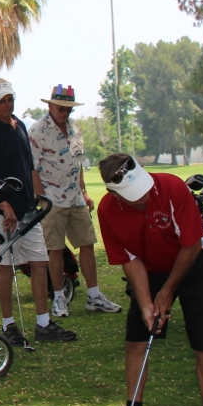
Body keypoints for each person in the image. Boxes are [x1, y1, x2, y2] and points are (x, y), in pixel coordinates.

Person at [94, 153, 203, 406]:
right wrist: (145, 303)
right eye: (134, 198)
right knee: (136, 341)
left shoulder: (171, 188)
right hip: (151, 268)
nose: (143, 199)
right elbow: (130, 260)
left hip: (195, 263)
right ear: (113, 193)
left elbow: (191, 244)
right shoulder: (108, 211)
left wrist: (166, 295)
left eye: (143, 191)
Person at [0, 78, 76, 344]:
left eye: (10, 99)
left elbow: (30, 167)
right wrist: (3, 204)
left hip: (28, 210)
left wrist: (37, 197)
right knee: (5, 267)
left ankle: (43, 323)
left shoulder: (20, 127)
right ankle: (8, 326)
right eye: (2, 100)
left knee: (40, 263)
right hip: (0, 214)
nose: (7, 104)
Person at [29, 84, 122, 317]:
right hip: (51, 198)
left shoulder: (74, 127)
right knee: (55, 248)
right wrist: (40, 197)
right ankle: (59, 297)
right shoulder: (38, 130)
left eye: (68, 108)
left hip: (75, 196)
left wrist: (85, 191)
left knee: (87, 243)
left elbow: (77, 162)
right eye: (60, 107)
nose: (64, 112)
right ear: (50, 105)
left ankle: (94, 296)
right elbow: (32, 168)